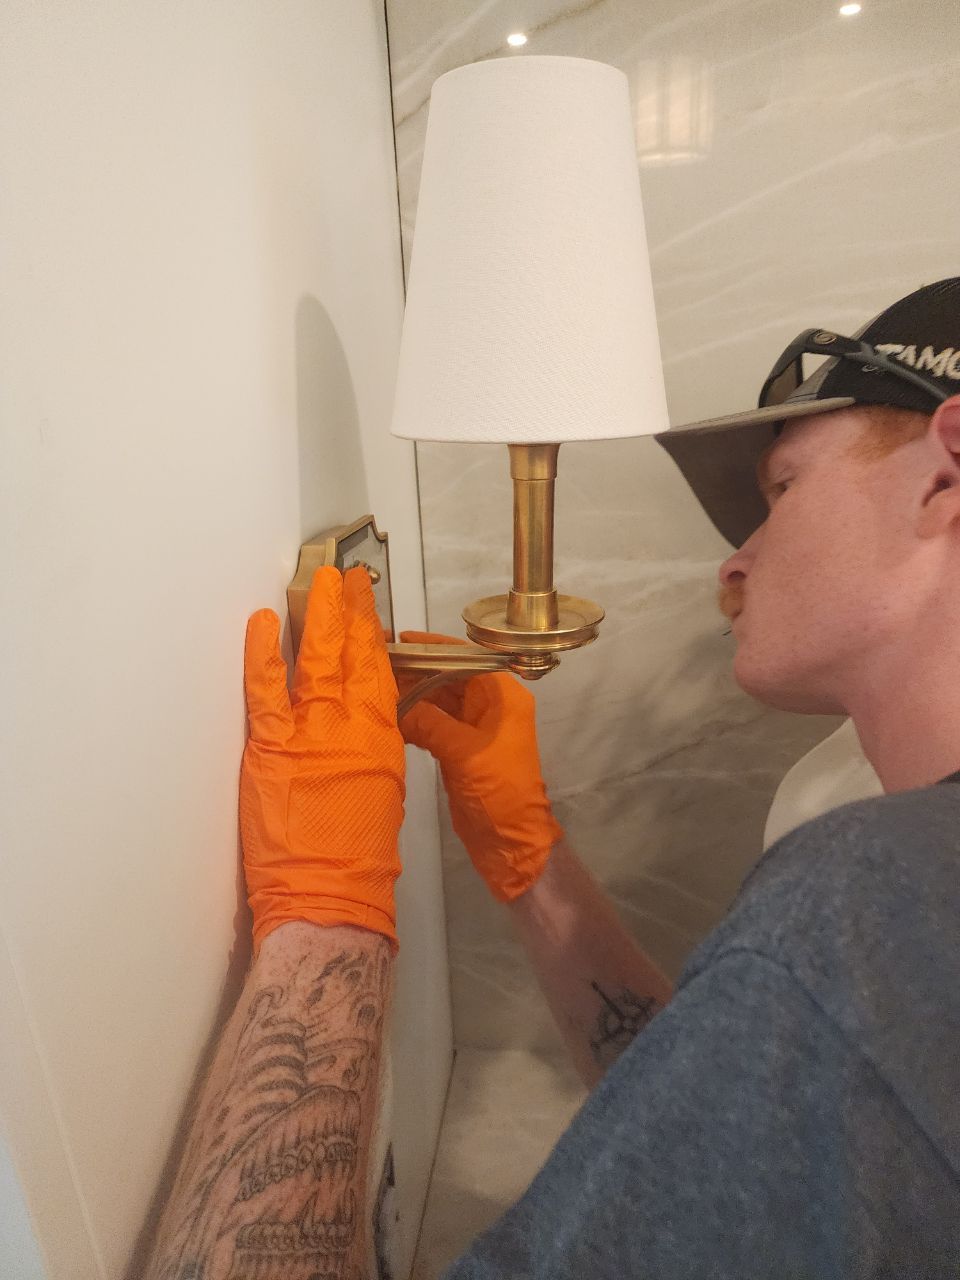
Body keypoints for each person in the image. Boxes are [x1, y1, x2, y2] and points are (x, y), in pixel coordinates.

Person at [146, 278, 960, 1279]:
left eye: (781, 488)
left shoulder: (872, 897)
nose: (733, 565)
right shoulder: (868, 841)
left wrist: (326, 914)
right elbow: (724, 1144)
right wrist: (529, 856)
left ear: (947, 470)